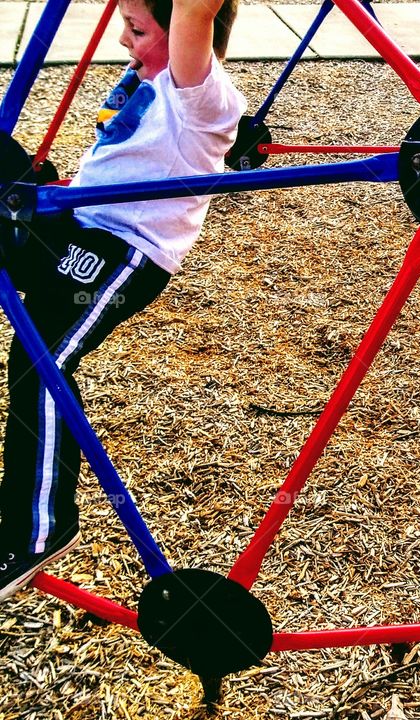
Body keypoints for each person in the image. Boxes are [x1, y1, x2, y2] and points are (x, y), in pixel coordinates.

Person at [0, 0, 246, 599]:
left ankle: (40, 531)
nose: (123, 38)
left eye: (138, 29)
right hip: (76, 222)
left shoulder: (200, 96)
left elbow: (193, 7)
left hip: (123, 252)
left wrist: (190, 16)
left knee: (41, 364)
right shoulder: (149, 82)